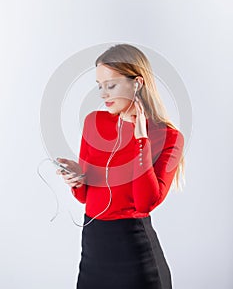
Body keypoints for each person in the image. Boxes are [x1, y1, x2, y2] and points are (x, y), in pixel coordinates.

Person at [56, 44, 185, 289]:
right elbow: (85, 197)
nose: (103, 94)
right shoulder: (94, 122)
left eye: (111, 85)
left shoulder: (168, 136)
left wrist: (140, 140)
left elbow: (145, 202)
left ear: (137, 83)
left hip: (135, 256)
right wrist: (77, 178)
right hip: (93, 252)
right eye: (99, 86)